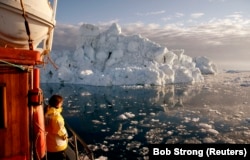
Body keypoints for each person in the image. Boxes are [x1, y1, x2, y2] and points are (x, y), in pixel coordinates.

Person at [45, 95, 68, 160]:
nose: (62, 104)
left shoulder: (47, 112)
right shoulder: (56, 117)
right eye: (61, 103)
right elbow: (58, 130)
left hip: (49, 143)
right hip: (57, 146)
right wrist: (64, 136)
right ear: (58, 104)